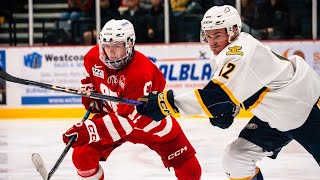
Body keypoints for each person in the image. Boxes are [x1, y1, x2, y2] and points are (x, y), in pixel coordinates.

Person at [136, 5, 320, 180]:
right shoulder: (230, 51)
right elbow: (245, 91)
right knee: (236, 158)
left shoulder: (239, 53)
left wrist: (165, 103)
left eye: (217, 35)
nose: (212, 42)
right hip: (276, 115)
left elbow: (215, 98)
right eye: (208, 36)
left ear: (232, 31)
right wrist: (232, 109)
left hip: (305, 106)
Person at [62, 19, 202, 179]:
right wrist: (91, 95)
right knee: (82, 156)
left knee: (191, 170)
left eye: (116, 46)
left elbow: (127, 121)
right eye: (106, 46)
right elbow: (89, 79)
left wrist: (90, 129)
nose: (110, 52)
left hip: (148, 123)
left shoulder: (140, 72)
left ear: (129, 45)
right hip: (113, 119)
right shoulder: (93, 58)